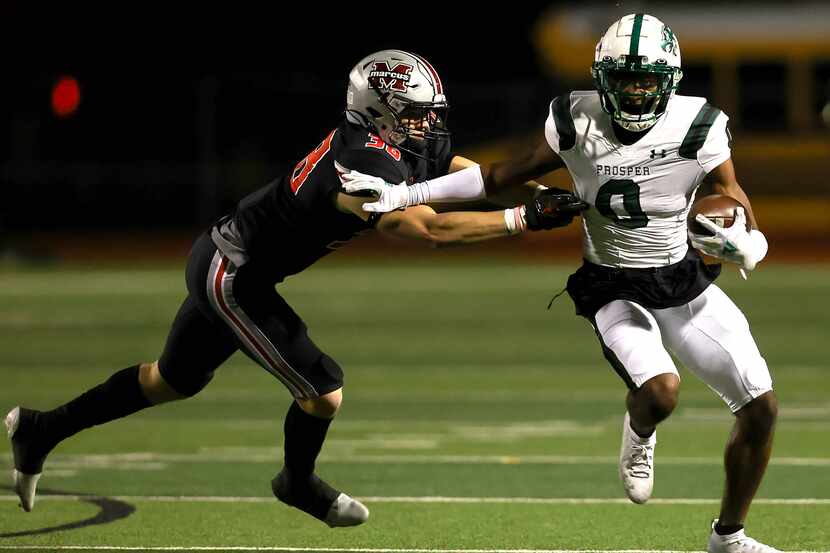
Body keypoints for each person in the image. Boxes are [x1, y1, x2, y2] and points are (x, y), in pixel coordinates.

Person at [5, 49, 585, 527]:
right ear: (377, 111)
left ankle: (40, 428)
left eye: (427, 112)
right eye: (413, 114)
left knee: (169, 381)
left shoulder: (397, 141)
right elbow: (426, 227)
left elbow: (466, 176)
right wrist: (521, 222)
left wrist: (532, 194)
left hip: (234, 259)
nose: (426, 124)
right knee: (322, 389)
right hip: (234, 272)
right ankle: (297, 482)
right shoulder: (360, 164)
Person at [342, 16, 779, 553]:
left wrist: (748, 240)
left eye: (648, 79)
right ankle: (640, 431)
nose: (636, 90)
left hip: (685, 279)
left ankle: (728, 538)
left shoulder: (700, 123)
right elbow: (499, 175)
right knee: (660, 393)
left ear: (671, 78)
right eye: (624, 78)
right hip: (613, 282)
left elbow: (730, 192)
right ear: (602, 78)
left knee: (761, 408)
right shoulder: (575, 118)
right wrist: (406, 195)